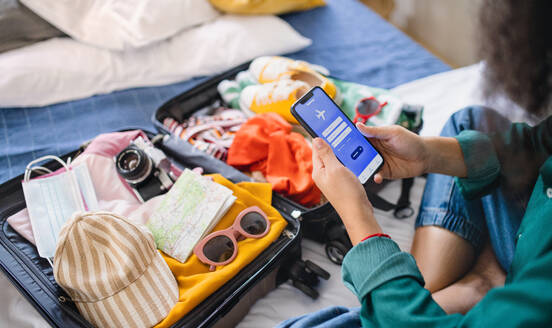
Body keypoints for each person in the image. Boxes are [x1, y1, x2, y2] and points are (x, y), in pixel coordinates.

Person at [278, 0, 552, 326]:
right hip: (535, 234)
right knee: (471, 122)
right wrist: (427, 154)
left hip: (529, 285)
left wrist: (359, 220)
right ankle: (459, 289)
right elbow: (539, 145)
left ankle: (416, 306)